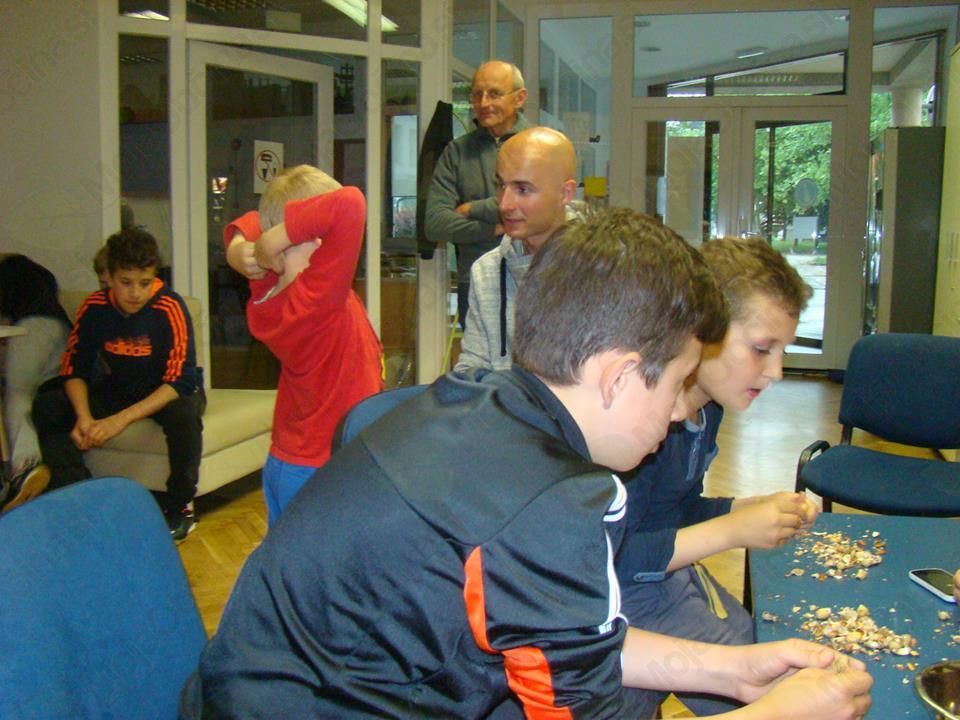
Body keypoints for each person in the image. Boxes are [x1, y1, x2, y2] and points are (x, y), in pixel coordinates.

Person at [180, 209, 871, 719]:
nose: (673, 414)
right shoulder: (555, 503)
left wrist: (733, 672)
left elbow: (570, 636)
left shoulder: (477, 398)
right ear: (619, 376)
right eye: (673, 384)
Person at [616, 235, 817, 717]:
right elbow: (614, 559)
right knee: (779, 694)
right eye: (762, 348)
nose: (777, 371)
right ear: (700, 333)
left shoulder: (708, 409)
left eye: (782, 351)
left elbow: (676, 511)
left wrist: (742, 509)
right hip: (623, 600)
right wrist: (732, 531)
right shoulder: (638, 430)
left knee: (763, 650)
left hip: (666, 577)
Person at [222, 165, 382, 524]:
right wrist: (279, 236)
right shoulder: (319, 297)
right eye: (320, 232)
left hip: (288, 462)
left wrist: (239, 249)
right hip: (324, 468)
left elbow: (252, 221)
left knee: (288, 558)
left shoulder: (267, 289)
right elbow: (350, 204)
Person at [32, 228, 205, 540]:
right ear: (108, 277)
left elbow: (180, 380)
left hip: (168, 392)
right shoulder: (94, 307)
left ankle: (180, 506)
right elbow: (74, 368)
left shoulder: (170, 306)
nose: (136, 293)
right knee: (49, 405)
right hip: (122, 387)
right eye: (126, 282)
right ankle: (79, 496)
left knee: (184, 415)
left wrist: (117, 421)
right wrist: (85, 418)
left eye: (145, 283)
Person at [454, 126, 577, 373]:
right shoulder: (487, 271)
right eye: (501, 185)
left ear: (565, 194)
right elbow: (472, 369)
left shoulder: (607, 269)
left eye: (523, 189)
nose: (504, 204)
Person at [425, 60, 532, 327]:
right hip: (474, 281)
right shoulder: (457, 152)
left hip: (532, 277)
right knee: (478, 355)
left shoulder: (540, 146)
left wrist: (473, 209)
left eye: (494, 94)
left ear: (519, 98)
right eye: (477, 95)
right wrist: (494, 228)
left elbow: (540, 205)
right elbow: (435, 224)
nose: (484, 103)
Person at [0, 255, 70, 511]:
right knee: (43, 399)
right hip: (63, 329)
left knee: (17, 394)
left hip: (31, 327)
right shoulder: (35, 271)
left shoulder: (6, 271)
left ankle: (25, 467)